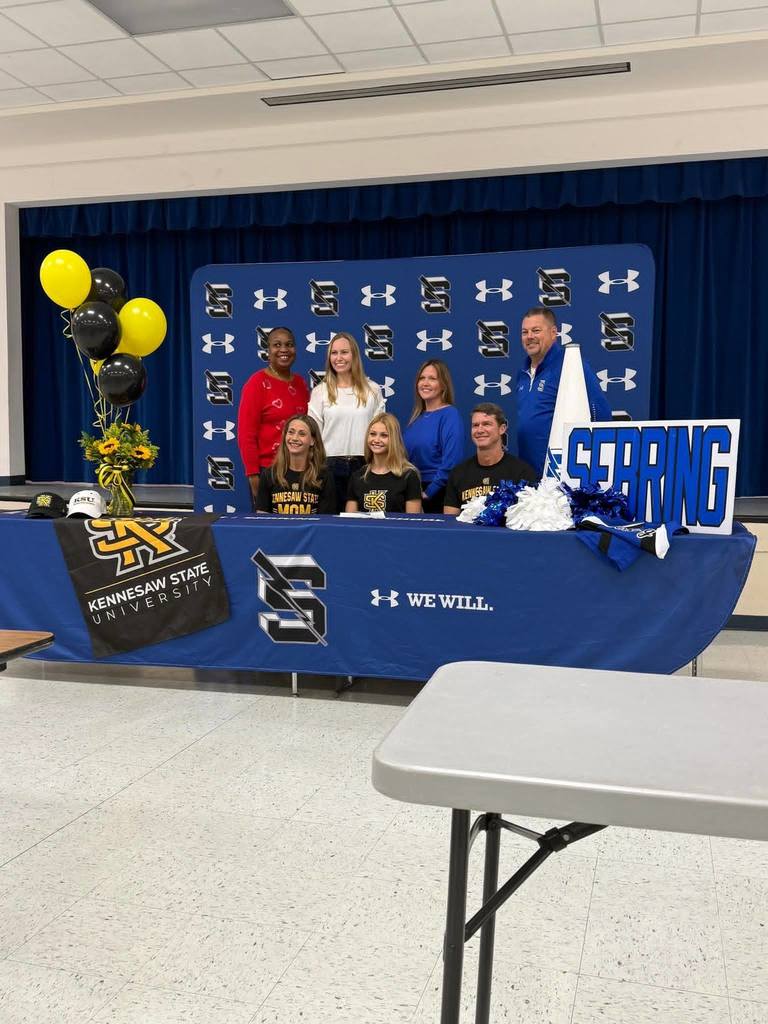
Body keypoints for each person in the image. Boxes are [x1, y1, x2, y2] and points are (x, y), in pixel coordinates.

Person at [516, 306, 611, 475]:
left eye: (536, 330)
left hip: (560, 473)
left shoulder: (570, 363)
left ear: (554, 333)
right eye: (525, 332)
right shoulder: (522, 373)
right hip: (528, 474)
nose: (529, 336)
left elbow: (599, 412)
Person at [308, 331, 385, 512]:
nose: (339, 358)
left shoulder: (372, 390)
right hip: (329, 466)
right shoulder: (320, 391)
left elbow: (381, 433)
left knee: (364, 523)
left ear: (354, 355)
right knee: (330, 521)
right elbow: (313, 435)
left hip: (365, 465)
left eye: (344, 352)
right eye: (334, 353)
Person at [237, 327, 310, 507]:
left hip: (299, 470)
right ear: (268, 351)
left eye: (289, 345)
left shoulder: (300, 383)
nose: (284, 350)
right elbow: (246, 434)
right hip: (268, 470)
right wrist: (253, 475)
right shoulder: (256, 383)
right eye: (277, 345)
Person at [443, 403, 538, 515]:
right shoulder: (458, 474)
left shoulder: (522, 473)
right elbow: (450, 522)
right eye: (475, 425)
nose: (480, 430)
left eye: (486, 424)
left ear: (502, 429)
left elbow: (529, 520)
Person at [403, 359, 465, 513]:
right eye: (422, 378)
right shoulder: (415, 418)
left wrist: (429, 492)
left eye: (432, 378)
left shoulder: (450, 415)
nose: (425, 383)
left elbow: (452, 460)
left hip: (439, 493)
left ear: (443, 384)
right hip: (413, 492)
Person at [255, 415, 336, 515]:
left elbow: (326, 524)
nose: (294, 438)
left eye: (302, 434)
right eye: (291, 432)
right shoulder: (269, 475)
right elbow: (262, 521)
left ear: (312, 441)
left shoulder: (324, 477)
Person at [346, 413, 422, 514]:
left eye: (384, 435)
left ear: (394, 439)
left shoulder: (409, 476)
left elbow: (413, 523)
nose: (376, 440)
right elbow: (350, 522)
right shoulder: (357, 476)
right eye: (372, 434)